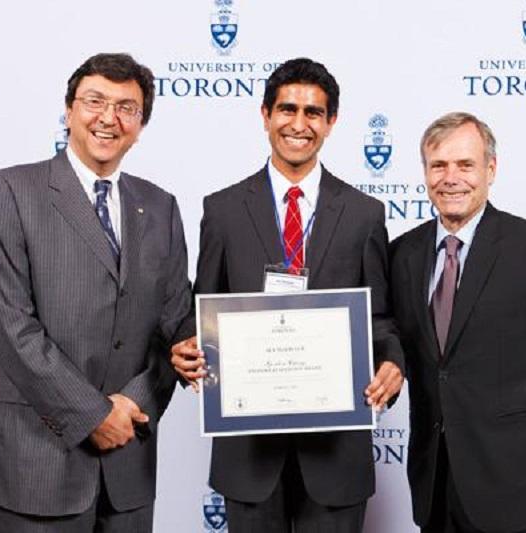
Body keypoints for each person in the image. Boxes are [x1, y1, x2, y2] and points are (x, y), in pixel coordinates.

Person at [170, 57, 405, 532]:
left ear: (331, 122)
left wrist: (393, 363)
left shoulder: (364, 214)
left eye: (313, 113)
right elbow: (202, 308)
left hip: (336, 453)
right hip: (250, 454)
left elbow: (380, 317)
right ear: (265, 115)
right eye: (287, 110)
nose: (299, 125)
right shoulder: (223, 210)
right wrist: (186, 347)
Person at [0, 53, 191, 532]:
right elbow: (11, 326)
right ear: (69, 109)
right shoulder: (10, 191)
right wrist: (94, 415)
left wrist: (132, 404)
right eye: (95, 101)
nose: (108, 118)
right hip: (39, 462)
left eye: (126, 108)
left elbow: (176, 326)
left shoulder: (161, 207)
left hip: (128, 464)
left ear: (140, 124)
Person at [390, 112, 526, 533]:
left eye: (465, 165)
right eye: (439, 165)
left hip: (521, 483)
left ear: (491, 169)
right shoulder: (402, 254)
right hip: (437, 484)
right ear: (425, 173)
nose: (451, 178)